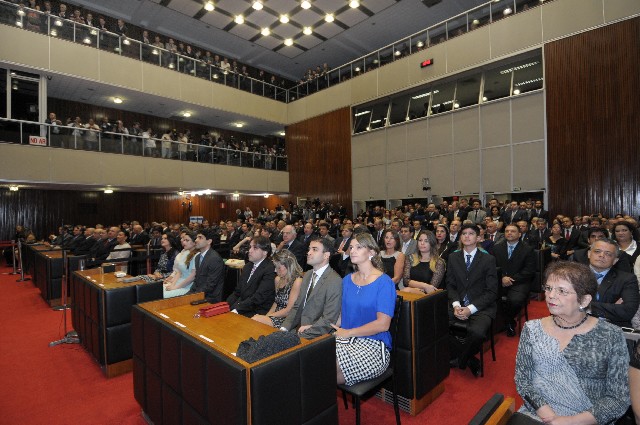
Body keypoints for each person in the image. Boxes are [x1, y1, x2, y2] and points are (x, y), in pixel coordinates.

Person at [515, 261, 630, 424]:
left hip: (587, 419)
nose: (551, 295)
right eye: (548, 288)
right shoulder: (532, 329)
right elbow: (523, 380)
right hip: (537, 414)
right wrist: (546, 413)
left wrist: (570, 421)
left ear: (584, 300)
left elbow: (618, 399)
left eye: (561, 291)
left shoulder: (611, 335)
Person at [332, 233, 396, 386]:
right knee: (314, 356)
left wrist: (348, 333)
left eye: (359, 247)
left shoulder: (384, 282)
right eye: (351, 247)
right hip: (346, 340)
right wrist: (319, 328)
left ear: (371, 252)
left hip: (373, 346)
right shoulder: (347, 280)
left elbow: (383, 324)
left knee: (324, 368)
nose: (352, 250)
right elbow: (340, 316)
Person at [447, 223, 498, 377]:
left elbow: (492, 292)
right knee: (433, 325)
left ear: (478, 238)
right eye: (464, 234)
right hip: (457, 304)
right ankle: (470, 359)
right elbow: (450, 285)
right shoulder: (453, 257)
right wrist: (456, 305)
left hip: (481, 306)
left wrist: (470, 309)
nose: (467, 236)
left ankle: (462, 359)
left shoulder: (488, 259)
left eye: (471, 233)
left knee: (477, 333)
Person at [280, 238, 342, 338]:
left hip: (315, 335)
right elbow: (297, 306)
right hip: (297, 329)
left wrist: (302, 335)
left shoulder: (334, 281)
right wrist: (284, 328)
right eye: (309, 249)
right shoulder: (308, 275)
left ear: (326, 255)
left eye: (314, 249)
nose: (309, 253)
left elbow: (328, 320)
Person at [493, 224, 536, 337]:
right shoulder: (497, 247)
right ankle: (500, 322)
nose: (509, 233)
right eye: (507, 231)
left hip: (519, 282)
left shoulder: (528, 249)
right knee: (489, 297)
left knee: (515, 301)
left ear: (519, 234)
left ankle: (508, 321)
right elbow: (492, 266)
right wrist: (502, 277)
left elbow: (529, 270)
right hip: (500, 281)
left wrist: (512, 279)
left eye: (513, 231)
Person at [587, 239, 639, 327]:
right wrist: (611, 307)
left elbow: (627, 311)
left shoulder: (627, 279)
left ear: (615, 260)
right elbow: (564, 304)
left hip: (613, 329)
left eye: (608, 254)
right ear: (589, 254)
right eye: (597, 251)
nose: (601, 255)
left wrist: (586, 307)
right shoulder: (572, 275)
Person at [227, 236, 276, 317]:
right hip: (242, 306)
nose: (250, 251)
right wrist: (225, 305)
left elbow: (259, 298)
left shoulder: (270, 269)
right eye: (250, 247)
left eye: (255, 248)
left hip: (257, 311)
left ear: (265, 252)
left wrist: (237, 309)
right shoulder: (247, 266)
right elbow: (237, 292)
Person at [252, 250, 303, 328]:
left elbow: (289, 310)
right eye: (275, 267)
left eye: (278, 267)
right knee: (256, 319)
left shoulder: (297, 281)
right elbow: (276, 303)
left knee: (256, 320)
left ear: (288, 265)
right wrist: (266, 316)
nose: (275, 270)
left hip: (287, 319)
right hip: (276, 315)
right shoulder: (278, 279)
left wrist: (267, 317)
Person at [401, 230, 446, 295]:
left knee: (406, 290)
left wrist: (412, 289)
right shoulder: (410, 258)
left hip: (430, 297)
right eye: (420, 240)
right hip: (411, 294)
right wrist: (424, 286)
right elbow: (406, 281)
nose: (422, 243)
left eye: (426, 241)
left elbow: (431, 289)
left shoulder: (439, 262)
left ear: (432, 243)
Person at [187, 228, 225, 302]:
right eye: (196, 237)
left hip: (210, 298)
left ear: (209, 241)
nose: (196, 240)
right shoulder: (197, 257)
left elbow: (210, 285)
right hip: (199, 294)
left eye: (200, 238)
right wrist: (188, 295)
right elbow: (197, 281)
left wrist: (193, 296)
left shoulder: (215, 259)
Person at [163, 231, 197, 298]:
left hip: (187, 286)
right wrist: (172, 285)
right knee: (156, 290)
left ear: (194, 243)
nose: (184, 242)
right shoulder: (185, 253)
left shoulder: (197, 255)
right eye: (184, 240)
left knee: (160, 295)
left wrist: (175, 287)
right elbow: (179, 272)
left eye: (187, 240)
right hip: (178, 283)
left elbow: (192, 277)